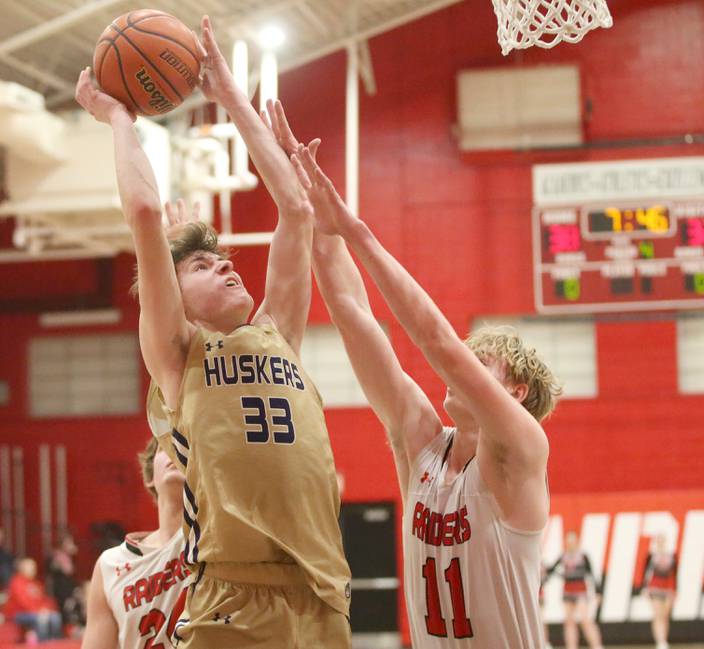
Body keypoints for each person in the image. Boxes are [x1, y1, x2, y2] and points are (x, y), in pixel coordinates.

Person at [74, 14, 351, 649]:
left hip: (322, 591)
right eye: (201, 264)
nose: (226, 264)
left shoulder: (276, 333)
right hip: (231, 593)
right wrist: (120, 120)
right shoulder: (178, 354)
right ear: (174, 295)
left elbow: (298, 208)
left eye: (222, 258)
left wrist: (230, 96)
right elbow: (143, 210)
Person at [293, 143, 560, 648]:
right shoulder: (423, 447)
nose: (459, 368)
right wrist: (309, 213)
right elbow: (353, 315)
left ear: (515, 392)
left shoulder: (521, 450)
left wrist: (354, 228)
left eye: (479, 364)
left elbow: (435, 340)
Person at [82, 432, 190, 649]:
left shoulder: (217, 538)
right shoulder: (110, 565)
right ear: (150, 476)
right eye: (165, 447)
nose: (175, 451)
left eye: (185, 445)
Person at [547, 532, 603, 649]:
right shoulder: (564, 556)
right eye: (568, 542)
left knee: (585, 619)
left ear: (577, 542)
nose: (570, 544)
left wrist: (598, 591)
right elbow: (551, 570)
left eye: (572, 541)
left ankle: (597, 645)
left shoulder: (583, 556)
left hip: (580, 590)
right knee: (569, 621)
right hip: (567, 591)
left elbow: (591, 574)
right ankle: (571, 646)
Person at [5, 557, 62, 643]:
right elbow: (23, 602)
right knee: (41, 619)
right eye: (31, 568)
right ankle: (43, 643)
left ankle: (55, 642)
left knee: (55, 617)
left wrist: (47, 609)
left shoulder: (36, 583)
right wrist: (39, 611)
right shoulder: (16, 582)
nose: (34, 570)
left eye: (34, 567)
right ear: (22, 569)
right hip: (19, 614)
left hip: (37, 612)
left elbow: (45, 600)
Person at [640, 533, 677, 649]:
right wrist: (644, 588)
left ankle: (664, 639)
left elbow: (675, 573)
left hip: (668, 588)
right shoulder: (651, 556)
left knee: (665, 615)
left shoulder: (672, 555)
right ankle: (660, 641)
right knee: (658, 614)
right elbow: (645, 573)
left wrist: (675, 589)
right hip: (655, 587)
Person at [46, 533, 80, 629]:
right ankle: (66, 629)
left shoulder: (70, 557)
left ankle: (74, 626)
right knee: (66, 608)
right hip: (61, 589)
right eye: (68, 543)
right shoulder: (56, 556)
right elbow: (61, 572)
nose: (71, 545)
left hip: (69, 586)